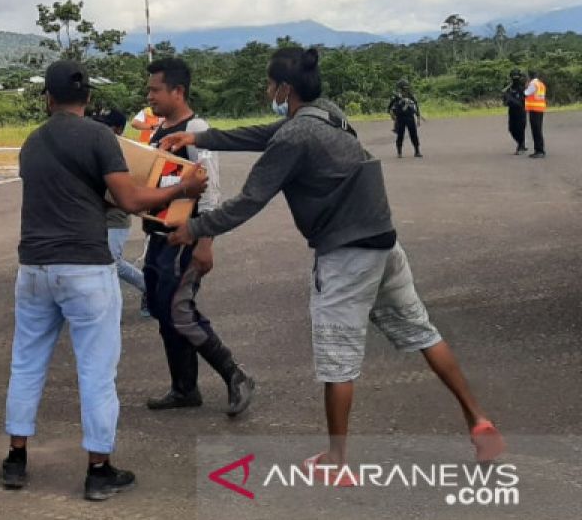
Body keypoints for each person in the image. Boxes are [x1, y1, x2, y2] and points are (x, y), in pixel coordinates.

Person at [161, 47, 504, 475]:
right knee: (423, 332)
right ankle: (478, 419)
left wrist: (193, 230)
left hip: (346, 255)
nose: (267, 91)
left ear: (284, 88)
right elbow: (268, 133)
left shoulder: (295, 136)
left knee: (337, 362)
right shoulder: (327, 113)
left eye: (270, 85)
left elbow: (250, 199)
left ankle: (337, 459)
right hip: (384, 242)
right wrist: (200, 137)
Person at [0, 60, 208, 502]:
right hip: (85, 268)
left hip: (34, 267)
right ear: (89, 98)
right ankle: (99, 469)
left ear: (48, 98)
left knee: (26, 363)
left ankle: (16, 459)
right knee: (96, 372)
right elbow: (131, 200)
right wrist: (181, 190)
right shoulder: (98, 136)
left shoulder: (32, 143)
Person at [139, 58, 254, 415]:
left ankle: (235, 375)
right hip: (159, 240)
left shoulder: (197, 130)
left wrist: (205, 243)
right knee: (163, 311)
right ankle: (184, 388)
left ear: (178, 91)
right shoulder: (160, 131)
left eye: (155, 89)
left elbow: (211, 192)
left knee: (179, 311)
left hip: (185, 241)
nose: (149, 96)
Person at [90, 109, 147, 298]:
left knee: (112, 261)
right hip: (94, 215)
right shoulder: (94, 148)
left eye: (105, 125)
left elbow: (128, 190)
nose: (98, 128)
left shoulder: (127, 153)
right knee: (94, 263)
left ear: (119, 129)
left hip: (116, 215)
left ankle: (150, 289)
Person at [387, 79, 422, 158]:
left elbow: (416, 106)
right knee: (400, 135)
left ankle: (417, 151)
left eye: (406, 88)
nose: (406, 89)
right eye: (404, 88)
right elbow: (390, 108)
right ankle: (399, 152)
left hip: (410, 117)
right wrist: (392, 115)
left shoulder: (410, 96)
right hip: (400, 118)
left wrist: (418, 117)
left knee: (414, 135)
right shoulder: (396, 97)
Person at [502, 69, 527, 155]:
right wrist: (506, 98)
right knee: (512, 129)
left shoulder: (522, 86)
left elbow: (522, 100)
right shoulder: (508, 87)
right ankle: (521, 144)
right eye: (513, 76)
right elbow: (505, 101)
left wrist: (510, 98)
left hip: (521, 111)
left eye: (516, 76)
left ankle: (521, 145)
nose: (515, 78)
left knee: (520, 128)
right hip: (512, 111)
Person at [525, 70, 547, 158]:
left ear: (529, 77)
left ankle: (539, 151)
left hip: (534, 109)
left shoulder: (533, 84)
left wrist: (525, 87)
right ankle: (539, 150)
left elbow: (526, 93)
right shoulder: (541, 84)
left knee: (536, 131)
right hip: (540, 109)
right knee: (538, 130)